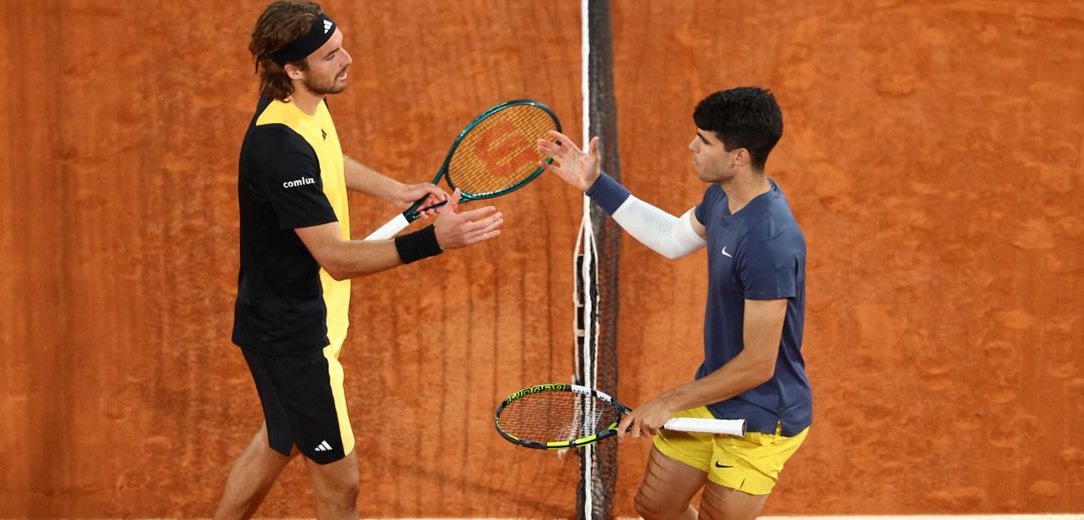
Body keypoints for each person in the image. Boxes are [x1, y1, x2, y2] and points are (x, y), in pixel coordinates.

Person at [215, 2, 503, 519]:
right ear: (293, 69)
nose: (346, 59)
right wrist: (436, 241)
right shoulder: (278, 148)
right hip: (295, 337)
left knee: (283, 438)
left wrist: (397, 191)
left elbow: (328, 157)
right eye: (330, 56)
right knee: (342, 484)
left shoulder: (301, 106)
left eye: (341, 45)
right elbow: (336, 259)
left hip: (292, 317)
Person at [538, 87, 810, 520]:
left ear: (738, 156)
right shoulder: (722, 197)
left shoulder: (769, 242)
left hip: (762, 418)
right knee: (656, 506)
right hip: (717, 390)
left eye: (704, 140)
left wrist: (668, 402)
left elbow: (760, 364)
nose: (692, 147)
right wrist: (594, 185)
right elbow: (671, 239)